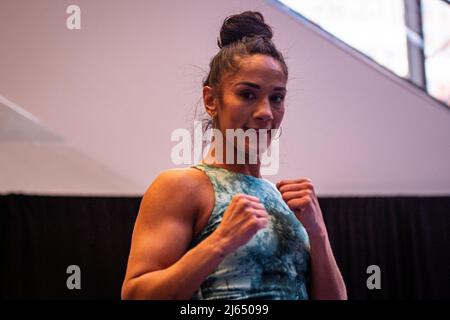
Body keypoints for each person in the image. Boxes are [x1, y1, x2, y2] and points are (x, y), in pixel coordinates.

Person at [121, 11, 347, 300]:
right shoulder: (183, 186)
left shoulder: (285, 200)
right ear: (211, 100)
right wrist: (220, 242)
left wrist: (319, 234)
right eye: (248, 94)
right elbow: (135, 295)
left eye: (276, 97)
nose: (266, 112)